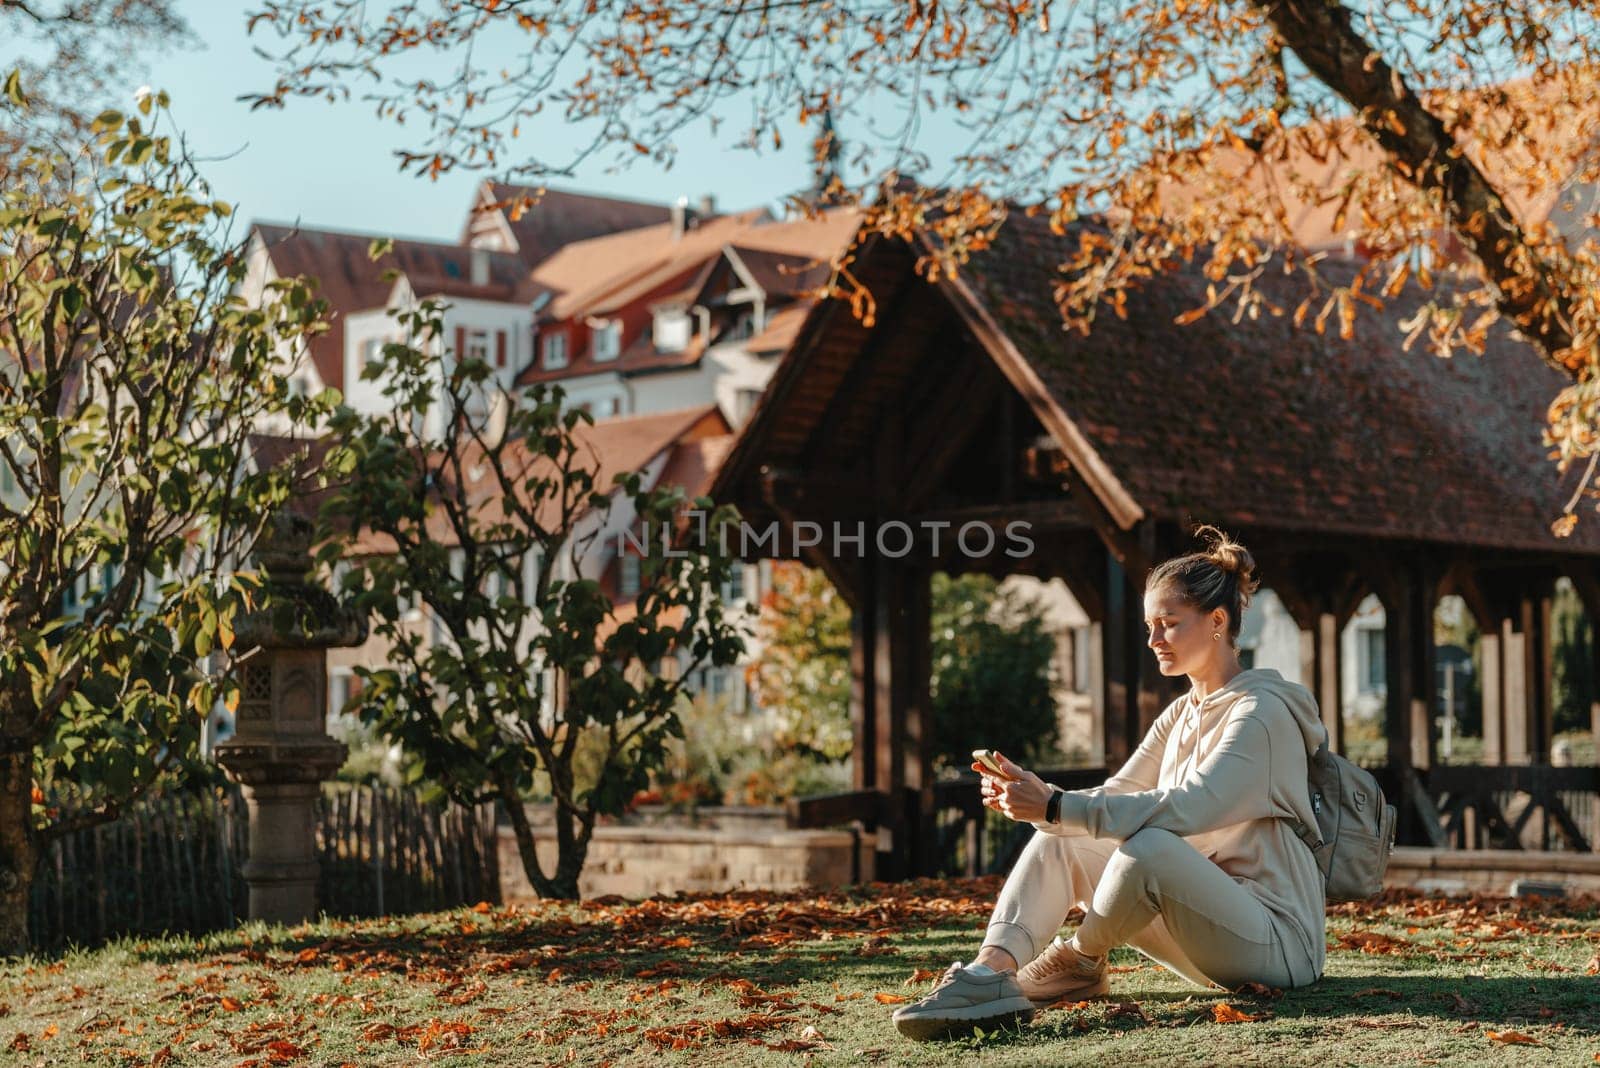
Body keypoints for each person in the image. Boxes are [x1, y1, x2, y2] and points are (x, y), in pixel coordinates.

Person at [892, 526, 1328, 1042]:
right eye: (1150, 625)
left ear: (1217, 621)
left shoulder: (1260, 714)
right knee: (1061, 839)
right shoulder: (1181, 713)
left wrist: (1057, 805)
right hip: (1207, 934)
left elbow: (1190, 807)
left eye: (1168, 624)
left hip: (1278, 946)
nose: (1154, 640)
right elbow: (1118, 794)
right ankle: (990, 973)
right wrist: (1039, 799)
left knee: (1148, 846)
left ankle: (1078, 959)